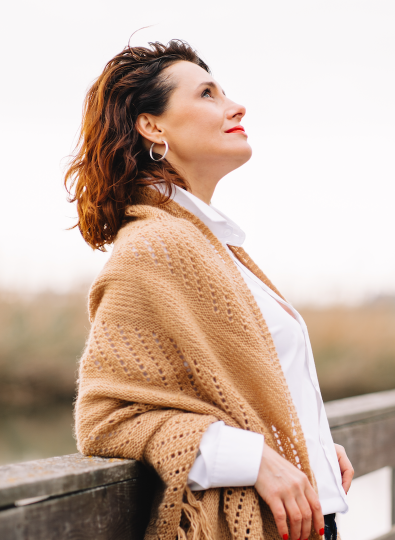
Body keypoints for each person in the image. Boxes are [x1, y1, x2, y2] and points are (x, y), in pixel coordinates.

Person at [66, 39, 353, 540]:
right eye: (207, 94)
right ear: (153, 126)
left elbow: (246, 388)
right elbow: (104, 420)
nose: (235, 106)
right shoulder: (152, 248)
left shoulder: (213, 246)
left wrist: (304, 443)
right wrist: (254, 459)